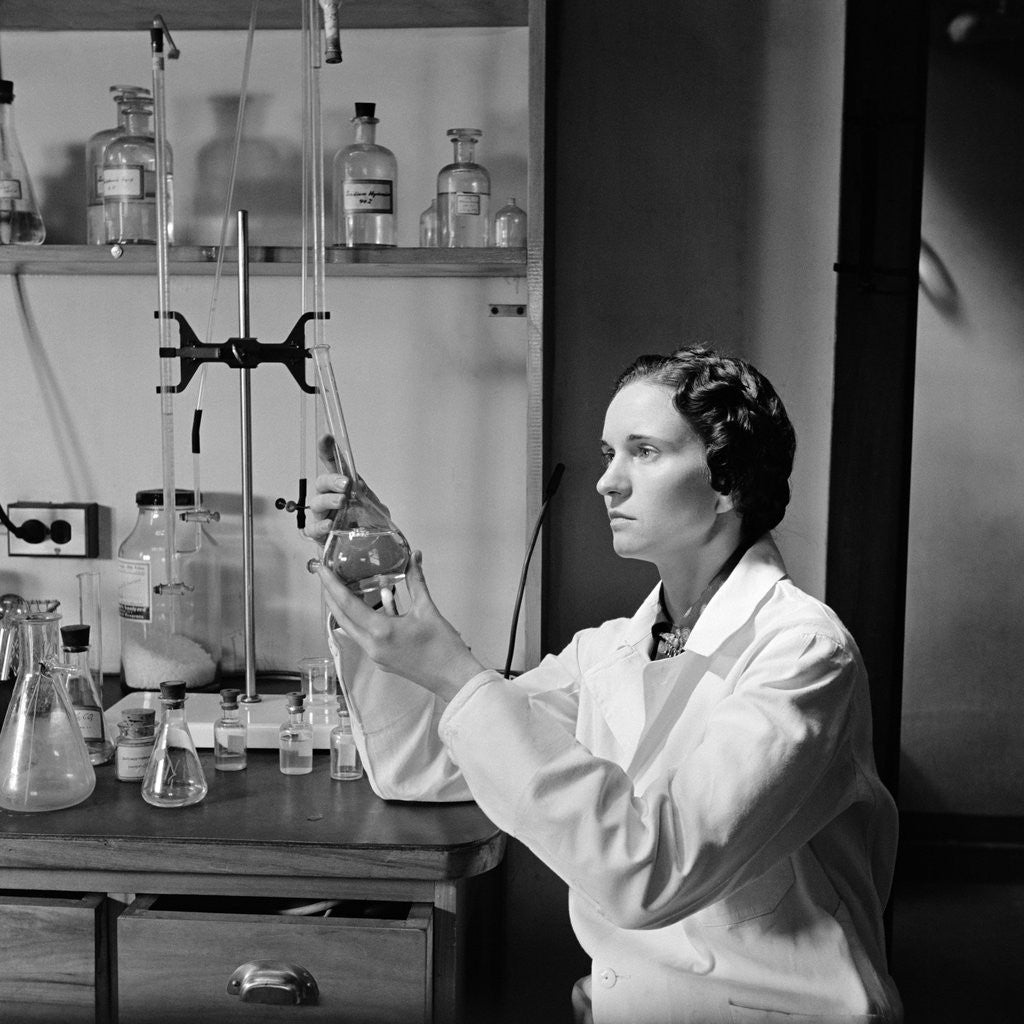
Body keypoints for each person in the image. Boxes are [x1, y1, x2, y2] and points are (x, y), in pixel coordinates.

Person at [306, 346, 903, 1024]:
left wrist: (457, 672)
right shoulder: (609, 652)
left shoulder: (803, 653)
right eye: (607, 453)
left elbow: (653, 872)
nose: (607, 483)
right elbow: (420, 766)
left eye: (643, 452)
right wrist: (375, 580)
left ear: (728, 481)